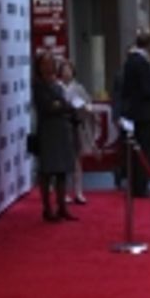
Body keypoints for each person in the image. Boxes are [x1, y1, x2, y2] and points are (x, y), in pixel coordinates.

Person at [32, 49, 78, 222]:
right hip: (48, 131)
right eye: (45, 63)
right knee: (47, 172)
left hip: (62, 130)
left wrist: (61, 105)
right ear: (39, 66)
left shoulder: (57, 83)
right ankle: (47, 209)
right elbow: (47, 107)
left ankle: (62, 207)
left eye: (51, 62)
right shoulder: (38, 85)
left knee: (62, 172)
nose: (49, 65)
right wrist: (60, 105)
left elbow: (63, 104)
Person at [116, 30, 150, 195]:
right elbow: (147, 89)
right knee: (143, 149)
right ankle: (140, 186)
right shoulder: (141, 62)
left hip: (133, 111)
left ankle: (136, 184)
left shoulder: (130, 61)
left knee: (135, 150)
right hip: (143, 112)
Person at [60, 56, 93, 206]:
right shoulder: (57, 87)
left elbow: (88, 104)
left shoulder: (79, 88)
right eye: (64, 70)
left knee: (77, 161)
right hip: (61, 126)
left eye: (70, 70)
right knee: (63, 162)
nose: (67, 73)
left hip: (76, 126)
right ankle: (64, 192)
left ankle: (78, 191)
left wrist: (85, 108)